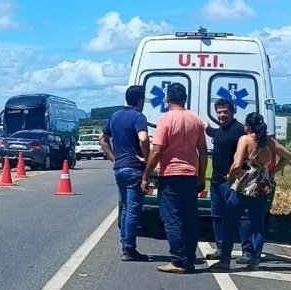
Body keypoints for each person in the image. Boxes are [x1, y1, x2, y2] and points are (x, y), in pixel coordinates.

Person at [141, 82, 207, 274]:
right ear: (185, 98)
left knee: (172, 217)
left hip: (171, 174)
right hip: (190, 175)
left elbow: (157, 149)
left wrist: (146, 175)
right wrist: (201, 175)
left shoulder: (166, 120)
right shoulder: (196, 120)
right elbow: (202, 150)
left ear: (167, 98)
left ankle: (178, 260)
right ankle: (190, 258)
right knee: (190, 218)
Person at [213, 113, 291, 271]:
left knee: (229, 221)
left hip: (244, 186)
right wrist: (273, 171)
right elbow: (288, 156)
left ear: (248, 126)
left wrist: (231, 179)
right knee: (257, 225)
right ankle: (254, 260)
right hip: (261, 187)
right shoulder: (269, 141)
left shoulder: (246, 139)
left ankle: (225, 260)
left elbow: (236, 164)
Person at [100, 86, 151, 261]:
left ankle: (124, 243)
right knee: (133, 209)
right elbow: (143, 138)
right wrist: (147, 158)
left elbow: (102, 138)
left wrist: (113, 158)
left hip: (119, 168)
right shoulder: (138, 116)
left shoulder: (115, 116)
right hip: (134, 168)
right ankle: (129, 248)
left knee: (125, 207)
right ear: (140, 100)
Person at [205, 98, 253, 262]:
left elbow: (248, 155)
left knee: (242, 217)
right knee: (217, 216)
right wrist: (206, 129)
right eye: (219, 112)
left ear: (232, 112)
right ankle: (221, 248)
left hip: (232, 182)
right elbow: (215, 134)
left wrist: (237, 175)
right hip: (216, 181)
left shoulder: (240, 130)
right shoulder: (221, 129)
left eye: (225, 111)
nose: (222, 115)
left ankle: (248, 252)